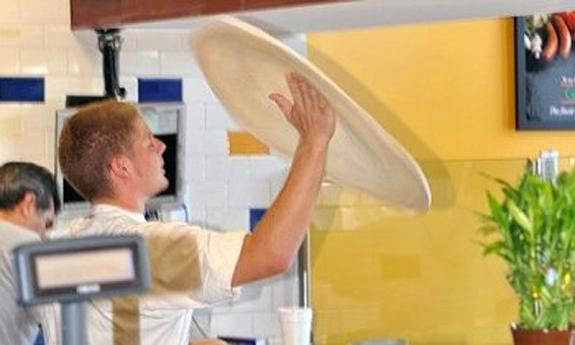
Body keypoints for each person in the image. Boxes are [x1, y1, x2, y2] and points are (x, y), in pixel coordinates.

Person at [55, 72, 335, 345]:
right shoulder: (151, 248)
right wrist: (314, 140)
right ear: (121, 167)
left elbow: (110, 327)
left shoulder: (61, 247)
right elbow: (270, 255)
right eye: (148, 141)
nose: (162, 146)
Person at [0, 162, 60, 344]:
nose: (45, 234)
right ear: (29, 203)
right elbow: (58, 324)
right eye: (47, 224)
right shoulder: (26, 244)